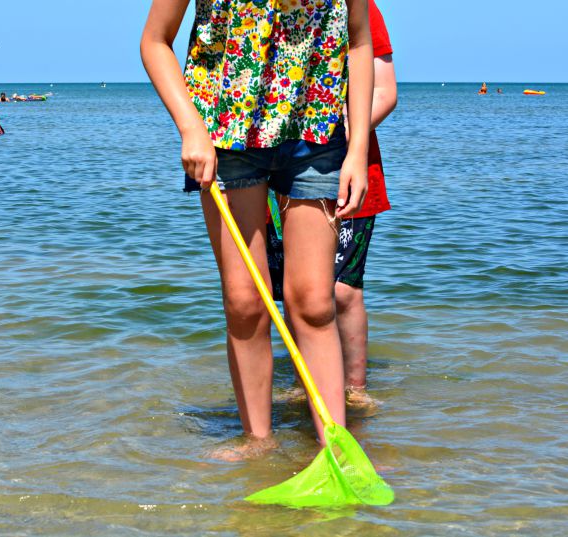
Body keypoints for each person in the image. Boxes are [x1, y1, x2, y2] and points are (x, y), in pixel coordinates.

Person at [141, 0, 374, 455]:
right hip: (226, 135)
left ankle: (337, 452)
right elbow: (154, 42)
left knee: (313, 302)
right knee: (245, 302)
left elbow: (360, 41)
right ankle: (258, 446)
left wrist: (358, 150)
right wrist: (190, 127)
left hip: (317, 130)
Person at [266, 0, 397, 409]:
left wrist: (333, 131)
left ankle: (355, 387)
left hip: (348, 170)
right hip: (281, 167)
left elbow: (385, 92)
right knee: (298, 290)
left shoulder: (361, 8)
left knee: (342, 290)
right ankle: (311, 380)